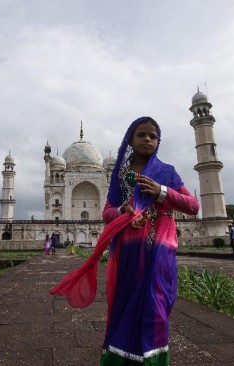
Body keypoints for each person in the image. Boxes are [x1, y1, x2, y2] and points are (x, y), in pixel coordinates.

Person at [50, 116, 199, 365]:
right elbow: (108, 211)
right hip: (129, 249)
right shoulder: (120, 176)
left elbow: (193, 206)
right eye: (142, 134)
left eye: (153, 135)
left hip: (159, 251)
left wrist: (161, 191)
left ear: (158, 141)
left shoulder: (166, 172)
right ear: (131, 139)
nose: (148, 139)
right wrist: (124, 211)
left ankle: (153, 360)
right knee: (125, 302)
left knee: (156, 306)